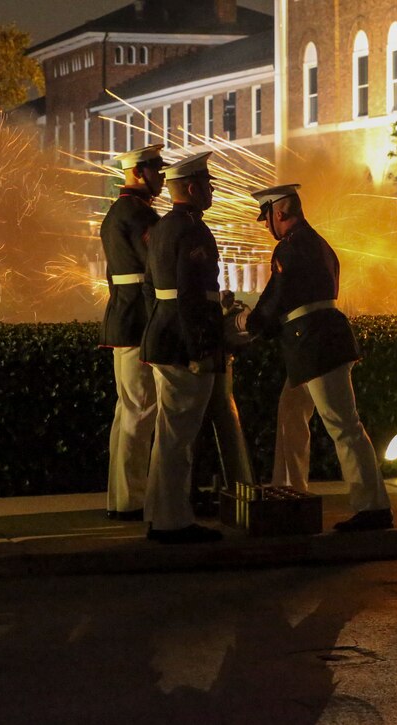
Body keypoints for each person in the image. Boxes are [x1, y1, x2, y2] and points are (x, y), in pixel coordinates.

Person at [243, 184, 392, 531]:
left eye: (267, 218)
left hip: (314, 345)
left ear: (279, 213)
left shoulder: (289, 248)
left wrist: (247, 324)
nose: (267, 227)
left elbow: (276, 299)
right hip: (314, 343)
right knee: (291, 416)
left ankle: (373, 506)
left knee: (343, 424)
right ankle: (290, 492)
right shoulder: (318, 243)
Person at [139, 151, 225, 544]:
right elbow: (192, 295)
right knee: (179, 438)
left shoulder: (159, 229)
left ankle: (160, 514)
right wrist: (200, 348)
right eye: (206, 184)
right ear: (191, 188)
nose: (211, 190)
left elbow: (149, 289)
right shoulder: (192, 230)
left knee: (167, 434)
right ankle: (174, 521)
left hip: (163, 335)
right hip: (182, 342)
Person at [100, 143, 165, 521]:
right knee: (140, 410)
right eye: (156, 170)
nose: (160, 178)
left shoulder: (120, 211)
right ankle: (132, 500)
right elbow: (157, 263)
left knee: (128, 410)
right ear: (139, 172)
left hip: (125, 317)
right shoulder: (139, 215)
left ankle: (122, 496)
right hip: (138, 318)